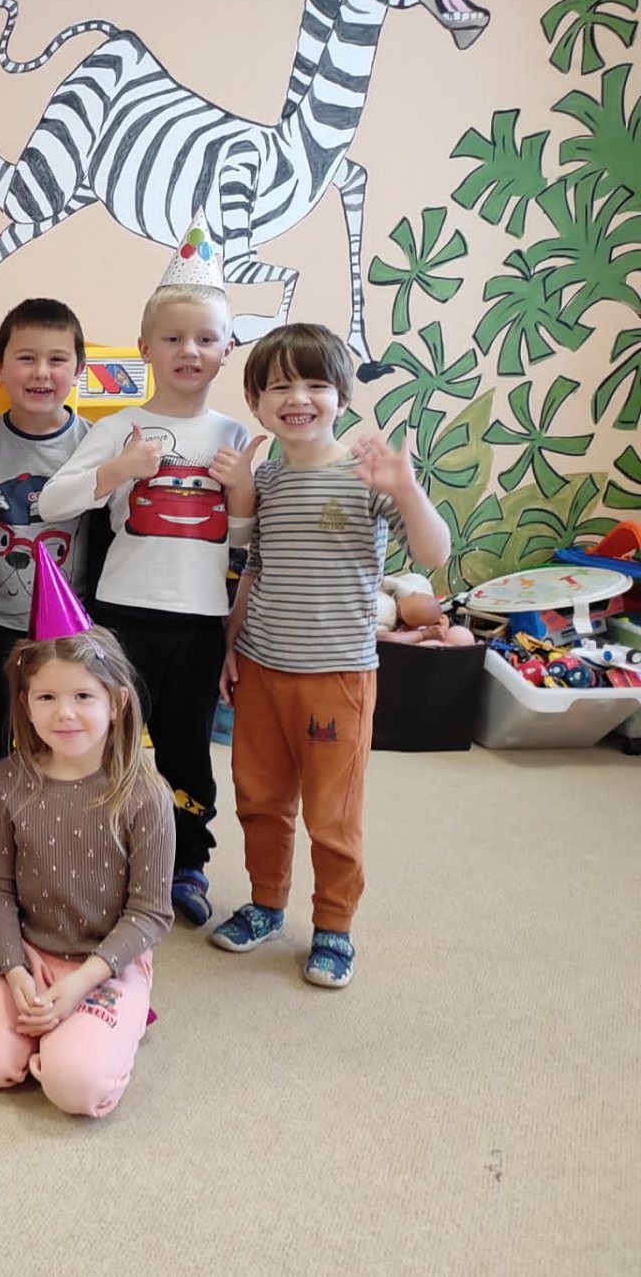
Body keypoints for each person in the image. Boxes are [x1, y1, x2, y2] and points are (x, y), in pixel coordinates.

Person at [210, 323, 450, 989]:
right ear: (255, 402)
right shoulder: (268, 479)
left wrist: (407, 490)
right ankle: (265, 905)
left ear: (342, 395)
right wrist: (229, 643)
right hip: (261, 669)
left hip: (337, 677)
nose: (298, 398)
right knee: (259, 800)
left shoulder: (368, 476)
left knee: (332, 815)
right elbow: (253, 567)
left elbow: (433, 553)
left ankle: (334, 928)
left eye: (315, 384)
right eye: (279, 386)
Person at [39, 221, 259, 927]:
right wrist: (117, 471)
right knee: (109, 743)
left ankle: (187, 859)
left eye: (205, 339)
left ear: (227, 349)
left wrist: (243, 493)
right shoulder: (118, 427)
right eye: (172, 338)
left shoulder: (235, 435)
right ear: (144, 347)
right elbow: (51, 503)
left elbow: (243, 543)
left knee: (188, 747)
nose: (188, 351)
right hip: (123, 615)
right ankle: (106, 855)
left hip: (197, 621)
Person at [0, 550, 174, 1118]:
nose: (64, 713)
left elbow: (149, 913)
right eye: (47, 697)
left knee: (76, 1086)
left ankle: (113, 1021)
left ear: (117, 703)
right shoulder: (5, 780)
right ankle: (51, 1030)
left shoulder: (145, 794)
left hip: (105, 961)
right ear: (25, 703)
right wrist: (14, 967)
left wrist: (80, 986)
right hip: (30, 950)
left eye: (83, 696)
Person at [0, 297, 95, 887]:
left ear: (78, 369)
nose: (41, 372)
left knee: (61, 735)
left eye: (57, 359)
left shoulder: (96, 446)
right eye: (26, 358)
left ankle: (53, 831)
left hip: (63, 630)